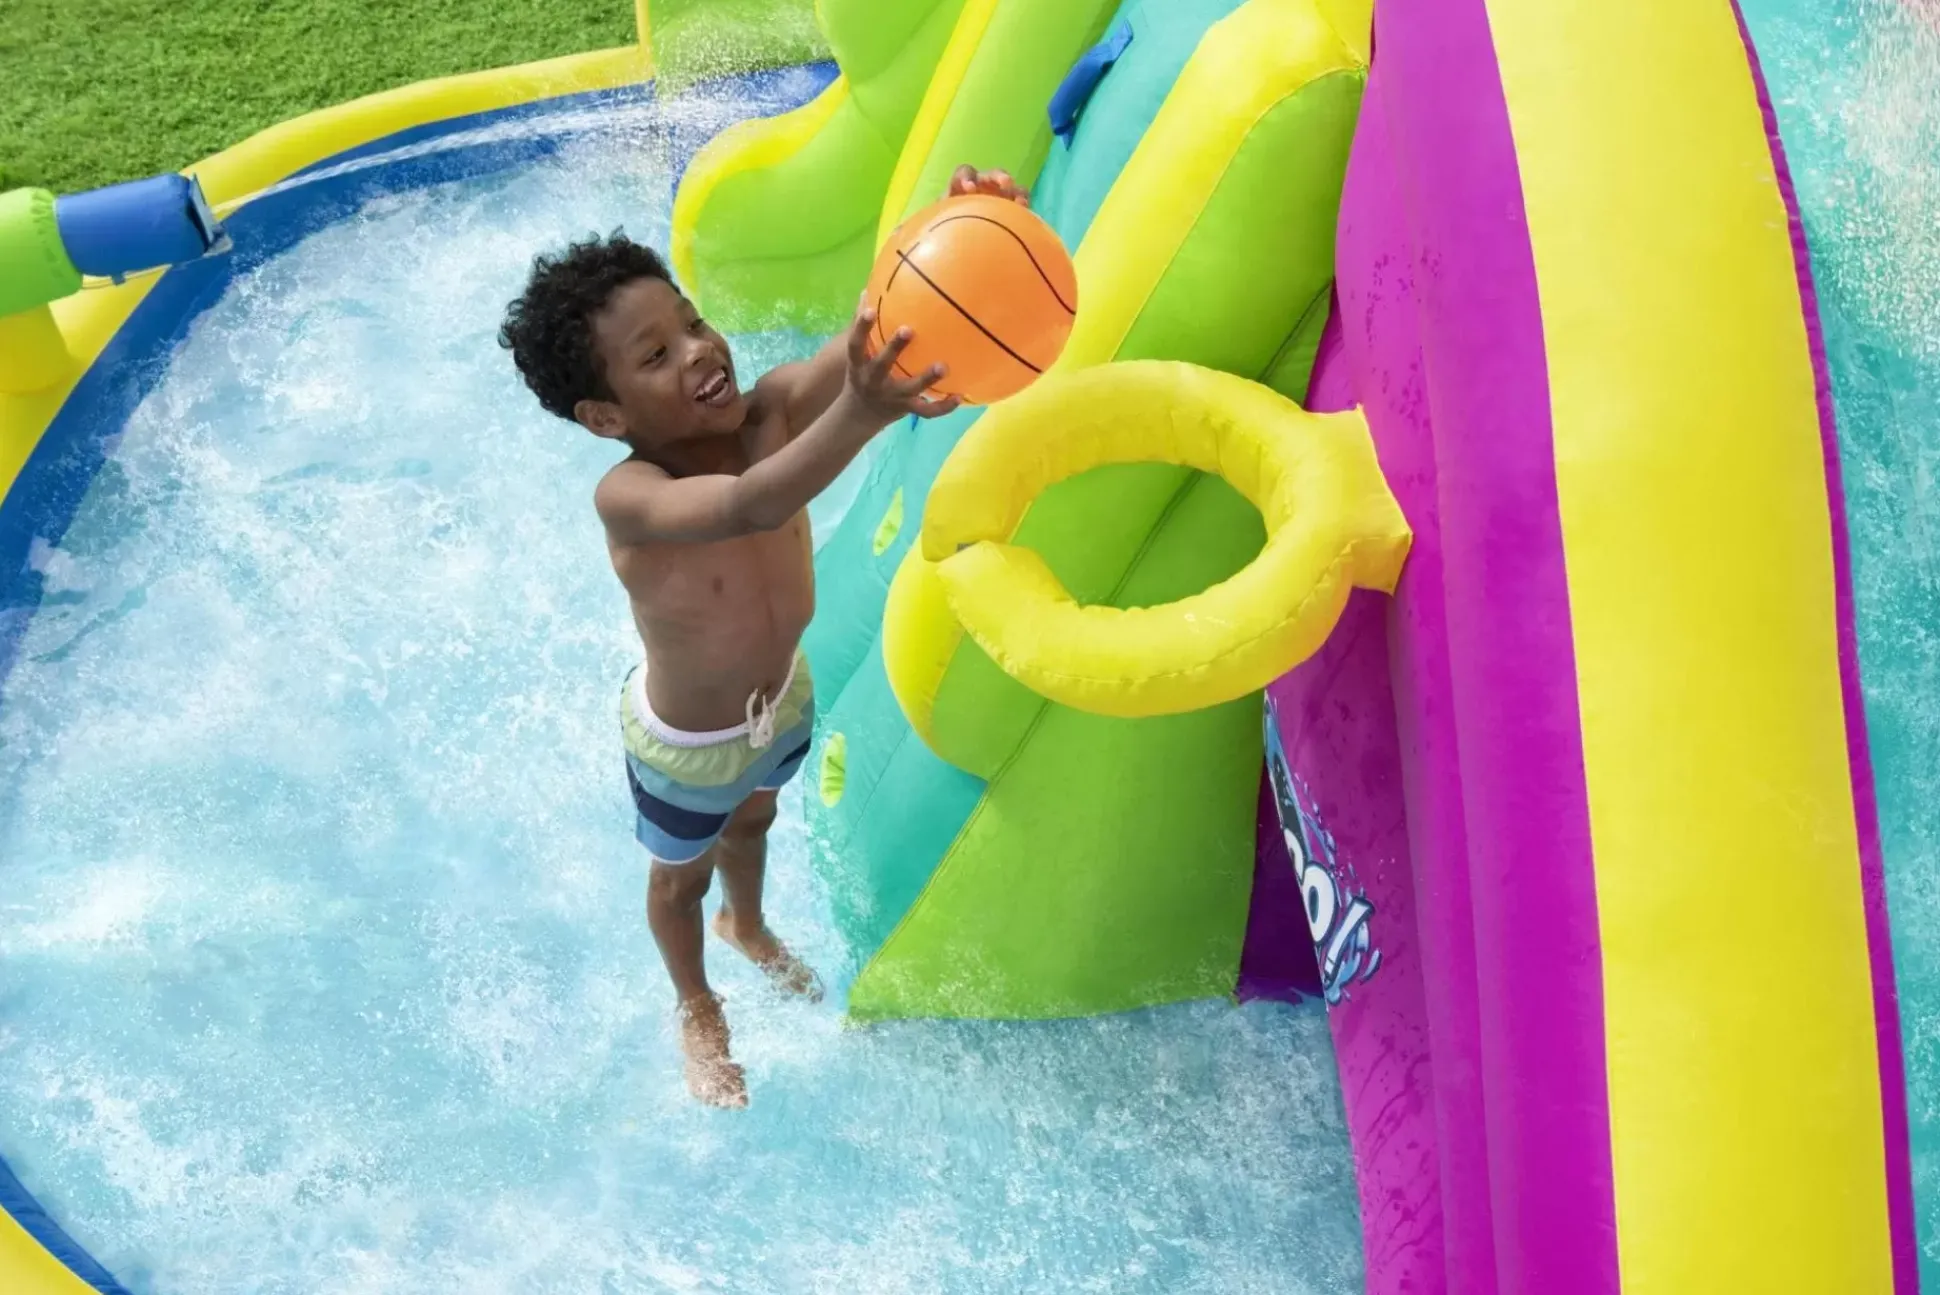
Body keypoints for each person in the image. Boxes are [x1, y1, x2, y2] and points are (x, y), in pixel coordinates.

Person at [499, 166, 1030, 1107]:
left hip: (783, 695)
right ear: (606, 416)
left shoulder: (776, 406)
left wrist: (962, 230)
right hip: (688, 743)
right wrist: (861, 412)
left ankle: (747, 926)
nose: (700, 351)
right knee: (679, 881)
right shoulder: (631, 497)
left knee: (756, 820)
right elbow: (752, 502)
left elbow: (881, 329)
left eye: (693, 322)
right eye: (656, 355)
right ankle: (696, 1000)